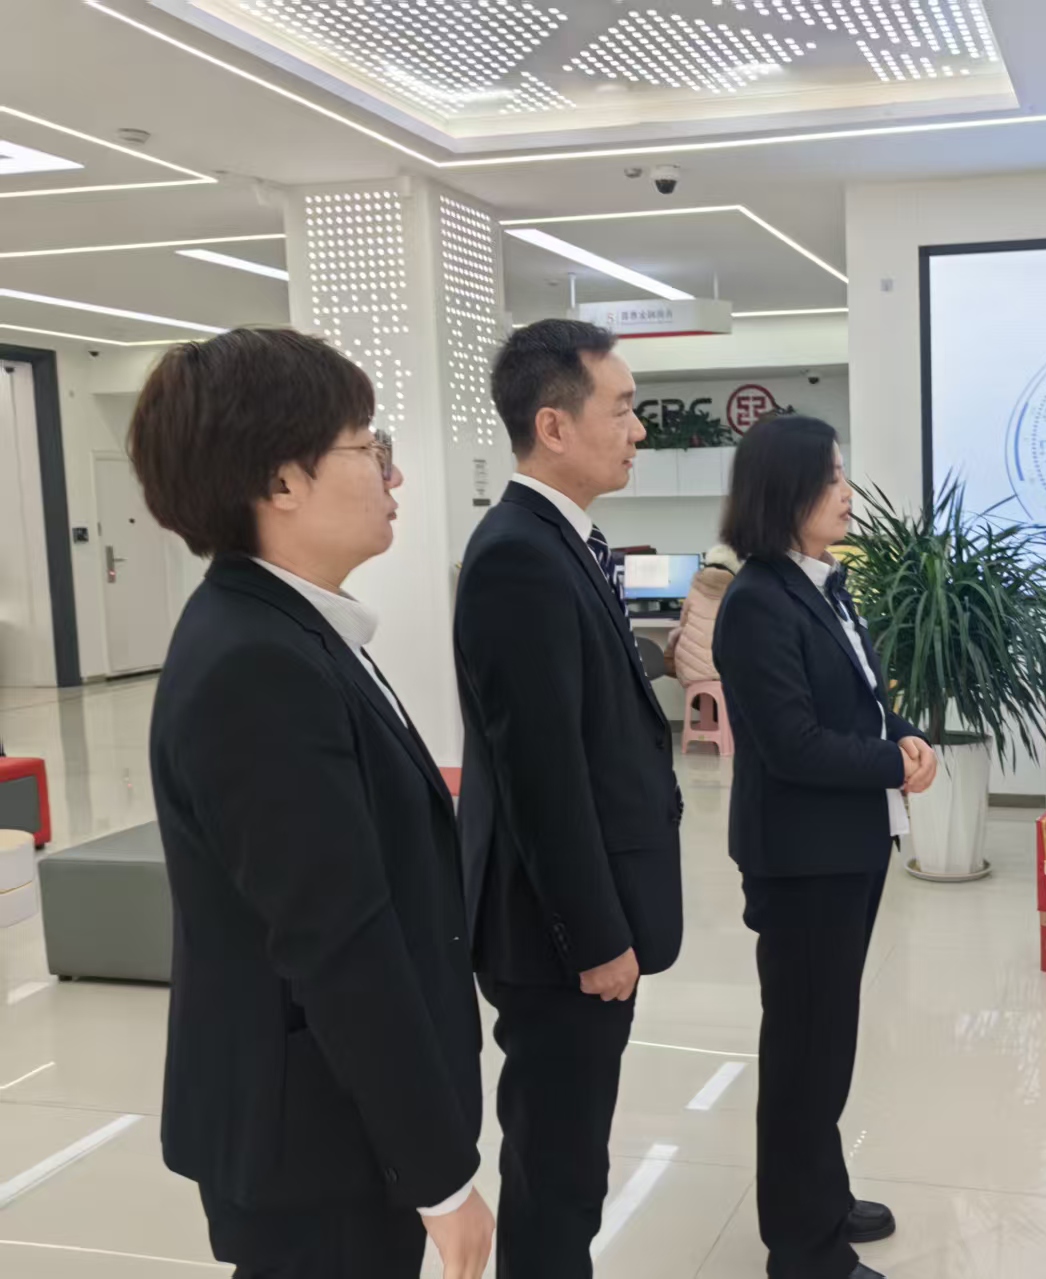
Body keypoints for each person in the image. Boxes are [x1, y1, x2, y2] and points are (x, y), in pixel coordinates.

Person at [132, 329, 492, 1279]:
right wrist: (442, 1179)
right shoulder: (256, 662)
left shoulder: (292, 630)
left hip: (338, 1122)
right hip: (318, 1144)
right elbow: (337, 940)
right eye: (370, 447)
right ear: (281, 481)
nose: (394, 474)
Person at [455, 318, 684, 1278]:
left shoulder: (562, 541)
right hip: (555, 937)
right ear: (553, 426)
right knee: (557, 1168)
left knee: (571, 1160)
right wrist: (594, 937)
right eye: (622, 409)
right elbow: (541, 773)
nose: (639, 429)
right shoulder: (519, 553)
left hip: (572, 920)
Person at [712, 416, 938, 1279]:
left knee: (827, 1039)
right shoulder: (757, 601)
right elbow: (793, 745)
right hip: (801, 859)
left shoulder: (822, 582)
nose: (847, 491)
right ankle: (802, 1247)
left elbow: (864, 699)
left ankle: (824, 1196)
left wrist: (905, 733)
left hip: (846, 846)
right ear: (785, 490)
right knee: (804, 1053)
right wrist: (892, 763)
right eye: (831, 477)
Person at [663, 542, 741, 684]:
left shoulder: (695, 590)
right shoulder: (739, 592)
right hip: (728, 676)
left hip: (692, 676)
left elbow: (682, 626)